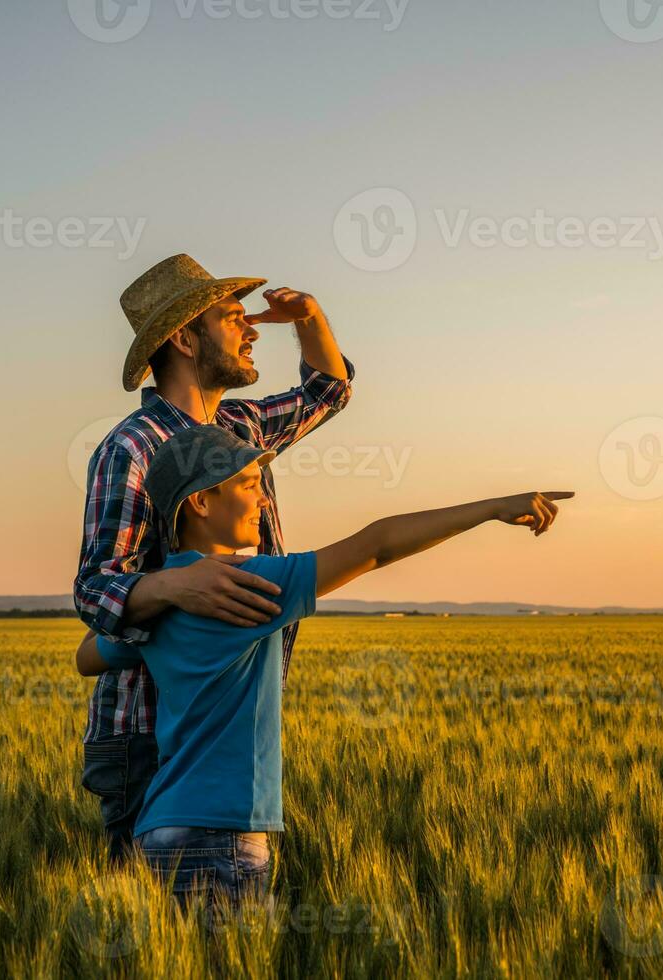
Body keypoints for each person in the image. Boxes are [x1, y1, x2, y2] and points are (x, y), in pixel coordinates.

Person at [74, 425, 571, 913]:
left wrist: (155, 594)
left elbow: (88, 656)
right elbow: (377, 545)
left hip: (156, 831)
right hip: (220, 838)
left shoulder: (166, 596)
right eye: (250, 485)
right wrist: (491, 508)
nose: (264, 501)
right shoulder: (248, 585)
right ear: (201, 502)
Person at [73, 254, 356, 861]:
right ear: (184, 337)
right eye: (233, 318)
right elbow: (96, 590)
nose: (252, 329)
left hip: (218, 730)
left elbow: (328, 390)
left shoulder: (240, 426)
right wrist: (177, 587)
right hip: (146, 733)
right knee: (154, 938)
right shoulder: (132, 447)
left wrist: (308, 314)